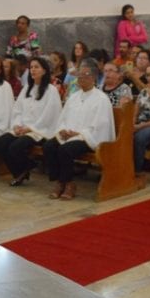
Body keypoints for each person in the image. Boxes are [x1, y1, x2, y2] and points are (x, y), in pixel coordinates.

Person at [42, 59, 114, 200]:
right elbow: (63, 118)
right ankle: (60, 181)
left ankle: (69, 184)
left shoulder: (101, 99)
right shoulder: (74, 97)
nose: (81, 78)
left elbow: (100, 126)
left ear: (94, 77)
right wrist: (62, 130)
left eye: (85, 75)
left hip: (87, 138)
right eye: (79, 74)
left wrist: (79, 134)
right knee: (48, 146)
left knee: (65, 150)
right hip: (69, 135)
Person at [0, 57, 62, 186]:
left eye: (36, 67)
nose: (33, 70)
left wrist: (30, 128)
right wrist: (17, 125)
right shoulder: (27, 88)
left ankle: (22, 170)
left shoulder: (51, 91)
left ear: (44, 71)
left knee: (15, 147)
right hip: (22, 127)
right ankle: (24, 168)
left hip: (38, 131)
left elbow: (49, 116)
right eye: (31, 67)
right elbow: (17, 109)